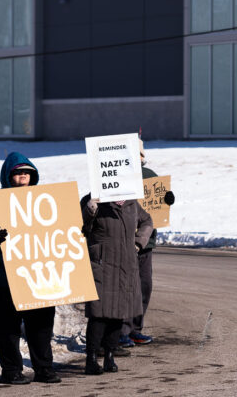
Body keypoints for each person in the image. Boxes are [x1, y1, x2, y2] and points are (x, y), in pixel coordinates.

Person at [0, 152, 61, 385]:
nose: (23, 176)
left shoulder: (46, 199)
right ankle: (11, 370)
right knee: (7, 328)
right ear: (8, 175)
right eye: (18, 172)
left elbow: (60, 231)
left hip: (39, 275)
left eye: (27, 172)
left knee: (41, 326)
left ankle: (44, 369)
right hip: (3, 277)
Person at [80, 190, 153, 375]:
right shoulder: (92, 199)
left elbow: (147, 221)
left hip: (126, 263)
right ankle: (91, 358)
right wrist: (90, 210)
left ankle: (110, 356)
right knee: (99, 313)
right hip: (102, 262)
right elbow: (82, 228)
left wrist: (138, 242)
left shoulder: (130, 201)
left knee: (119, 312)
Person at [119, 140, 175, 349]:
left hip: (147, 242)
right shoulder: (117, 176)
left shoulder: (151, 175)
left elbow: (159, 204)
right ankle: (121, 331)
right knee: (126, 288)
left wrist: (168, 200)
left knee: (144, 286)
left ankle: (135, 329)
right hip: (123, 241)